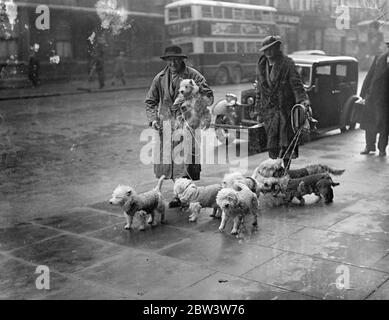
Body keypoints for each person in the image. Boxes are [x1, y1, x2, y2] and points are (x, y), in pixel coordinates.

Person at [145, 45, 214, 207]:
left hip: (187, 122)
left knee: (184, 160)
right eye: (170, 60)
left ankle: (183, 195)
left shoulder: (193, 75)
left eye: (176, 60)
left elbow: (209, 96)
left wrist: (194, 99)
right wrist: (153, 119)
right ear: (166, 61)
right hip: (167, 124)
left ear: (182, 60)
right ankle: (181, 193)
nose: (173, 63)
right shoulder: (160, 78)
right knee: (170, 160)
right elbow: (150, 101)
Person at [255, 36, 310, 169]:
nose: (268, 52)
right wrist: (258, 110)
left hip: (284, 111)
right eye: (265, 50)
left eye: (271, 49)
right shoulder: (261, 65)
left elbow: (297, 85)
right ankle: (276, 172)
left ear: (277, 48)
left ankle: (286, 171)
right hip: (269, 112)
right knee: (272, 146)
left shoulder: (287, 63)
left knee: (286, 145)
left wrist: (303, 102)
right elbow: (259, 90)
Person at [359, 41, 389, 157]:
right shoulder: (379, 58)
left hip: (386, 100)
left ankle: (382, 149)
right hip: (373, 96)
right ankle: (369, 146)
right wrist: (363, 94)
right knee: (369, 123)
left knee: (384, 125)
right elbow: (369, 75)